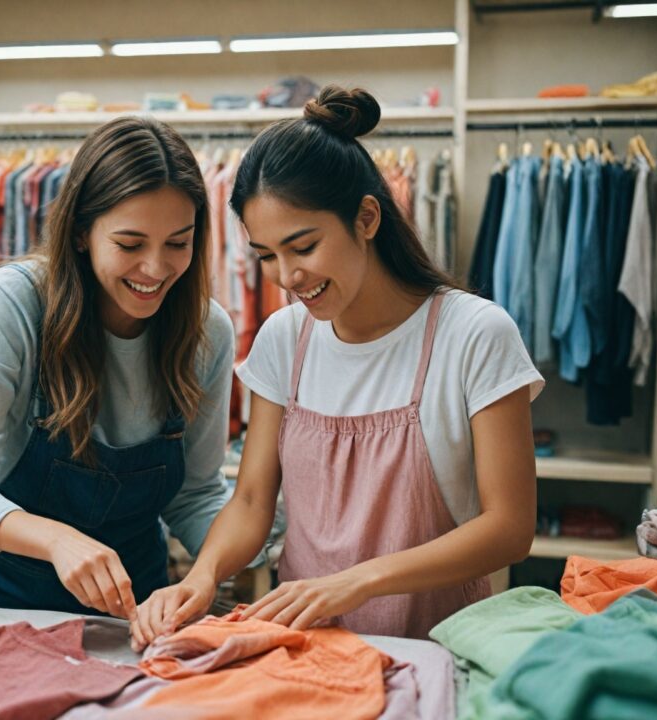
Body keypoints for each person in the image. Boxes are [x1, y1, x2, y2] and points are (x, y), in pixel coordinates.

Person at [132, 86, 543, 646]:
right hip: (304, 645)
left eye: (303, 247)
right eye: (267, 256)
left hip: (434, 648)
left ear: (367, 217)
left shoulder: (473, 335)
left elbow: (508, 530)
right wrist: (203, 575)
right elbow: (253, 500)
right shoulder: (283, 339)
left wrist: (357, 583)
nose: (286, 276)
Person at [0, 116, 235, 628]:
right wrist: (57, 540)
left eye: (178, 243)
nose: (155, 268)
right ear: (83, 232)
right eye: (130, 244)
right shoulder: (15, 303)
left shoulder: (207, 332)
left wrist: (241, 562)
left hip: (130, 617)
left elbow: (195, 495)